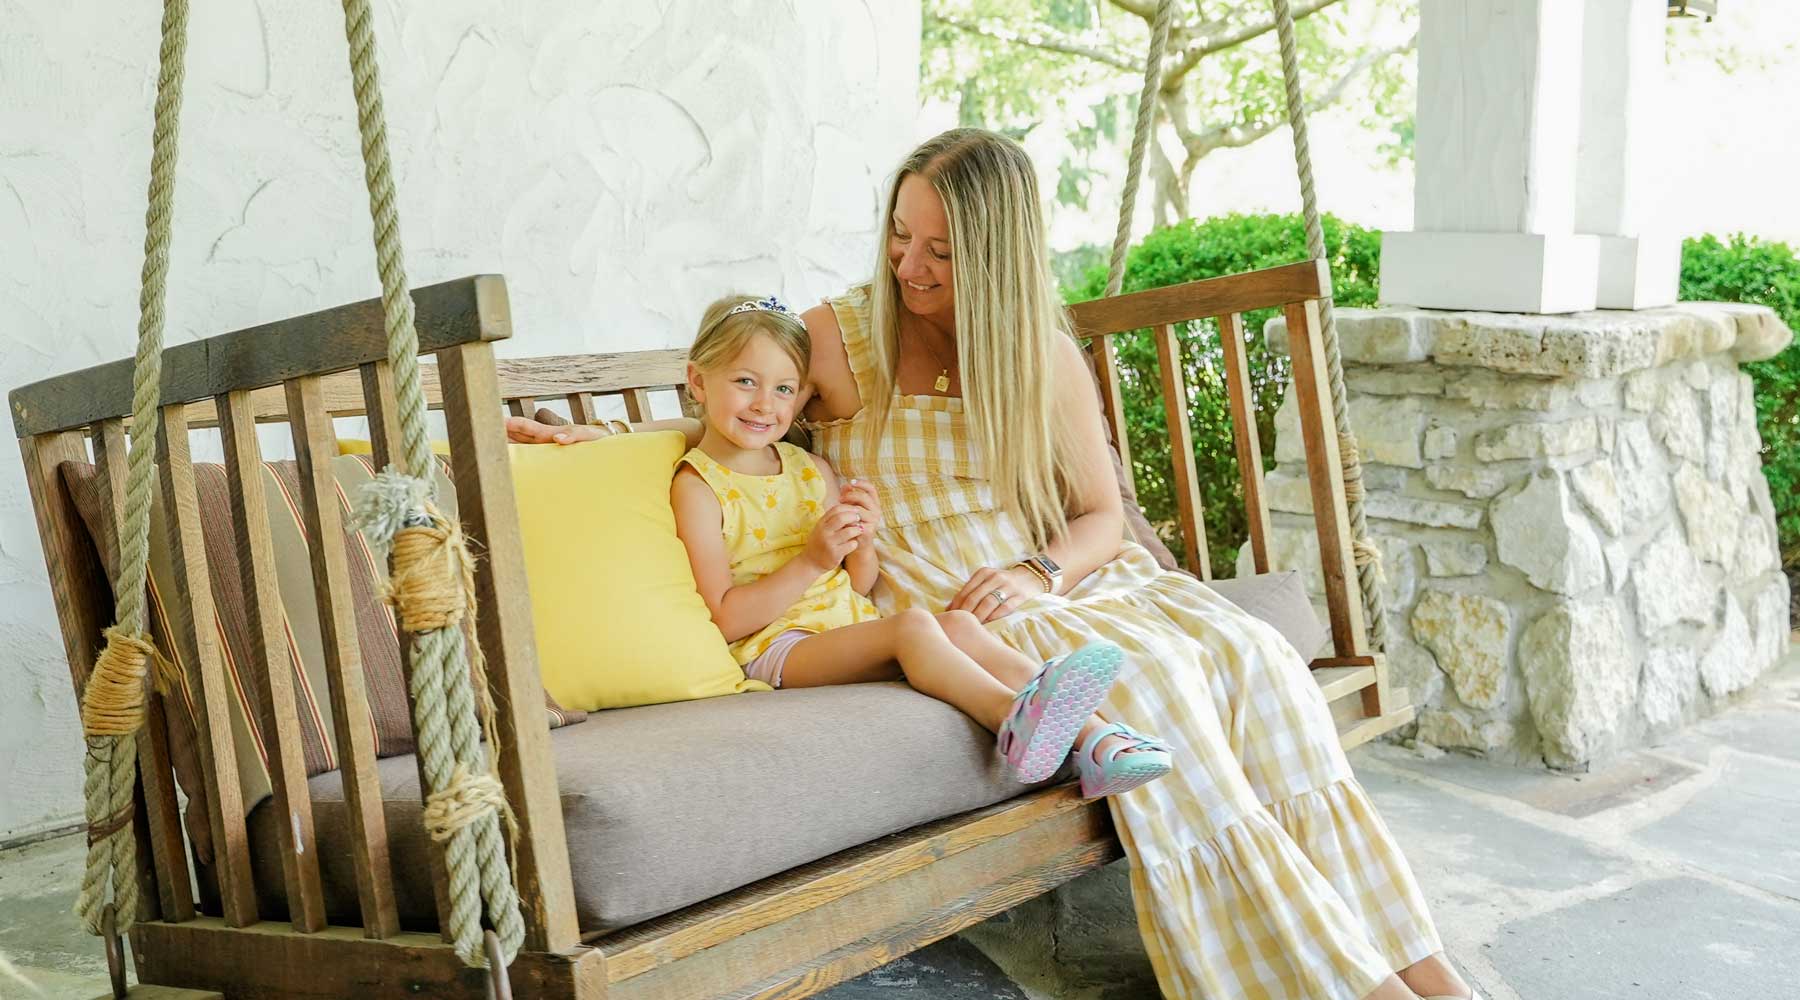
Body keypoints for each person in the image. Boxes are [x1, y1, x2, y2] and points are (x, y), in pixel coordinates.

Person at [509, 129, 1476, 1000]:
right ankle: (1349, 986)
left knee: (1252, 658)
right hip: (940, 593)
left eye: (941, 249)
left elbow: (1101, 517)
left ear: (998, 254)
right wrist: (584, 447)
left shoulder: (1040, 356)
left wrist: (1040, 572)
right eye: (899, 236)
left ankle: (1428, 973)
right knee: (1164, 686)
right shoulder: (843, 339)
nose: (909, 266)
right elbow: (740, 418)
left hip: (1050, 579)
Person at [662, 290, 1172, 795]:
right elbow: (725, 617)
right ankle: (1010, 720)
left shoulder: (808, 468)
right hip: (777, 649)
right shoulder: (700, 488)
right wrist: (814, 560)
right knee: (911, 627)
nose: (763, 404)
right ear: (698, 381)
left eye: (783, 389)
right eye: (745, 382)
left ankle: (1101, 741)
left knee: (957, 625)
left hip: (842, 628)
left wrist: (858, 538)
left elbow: (858, 584)